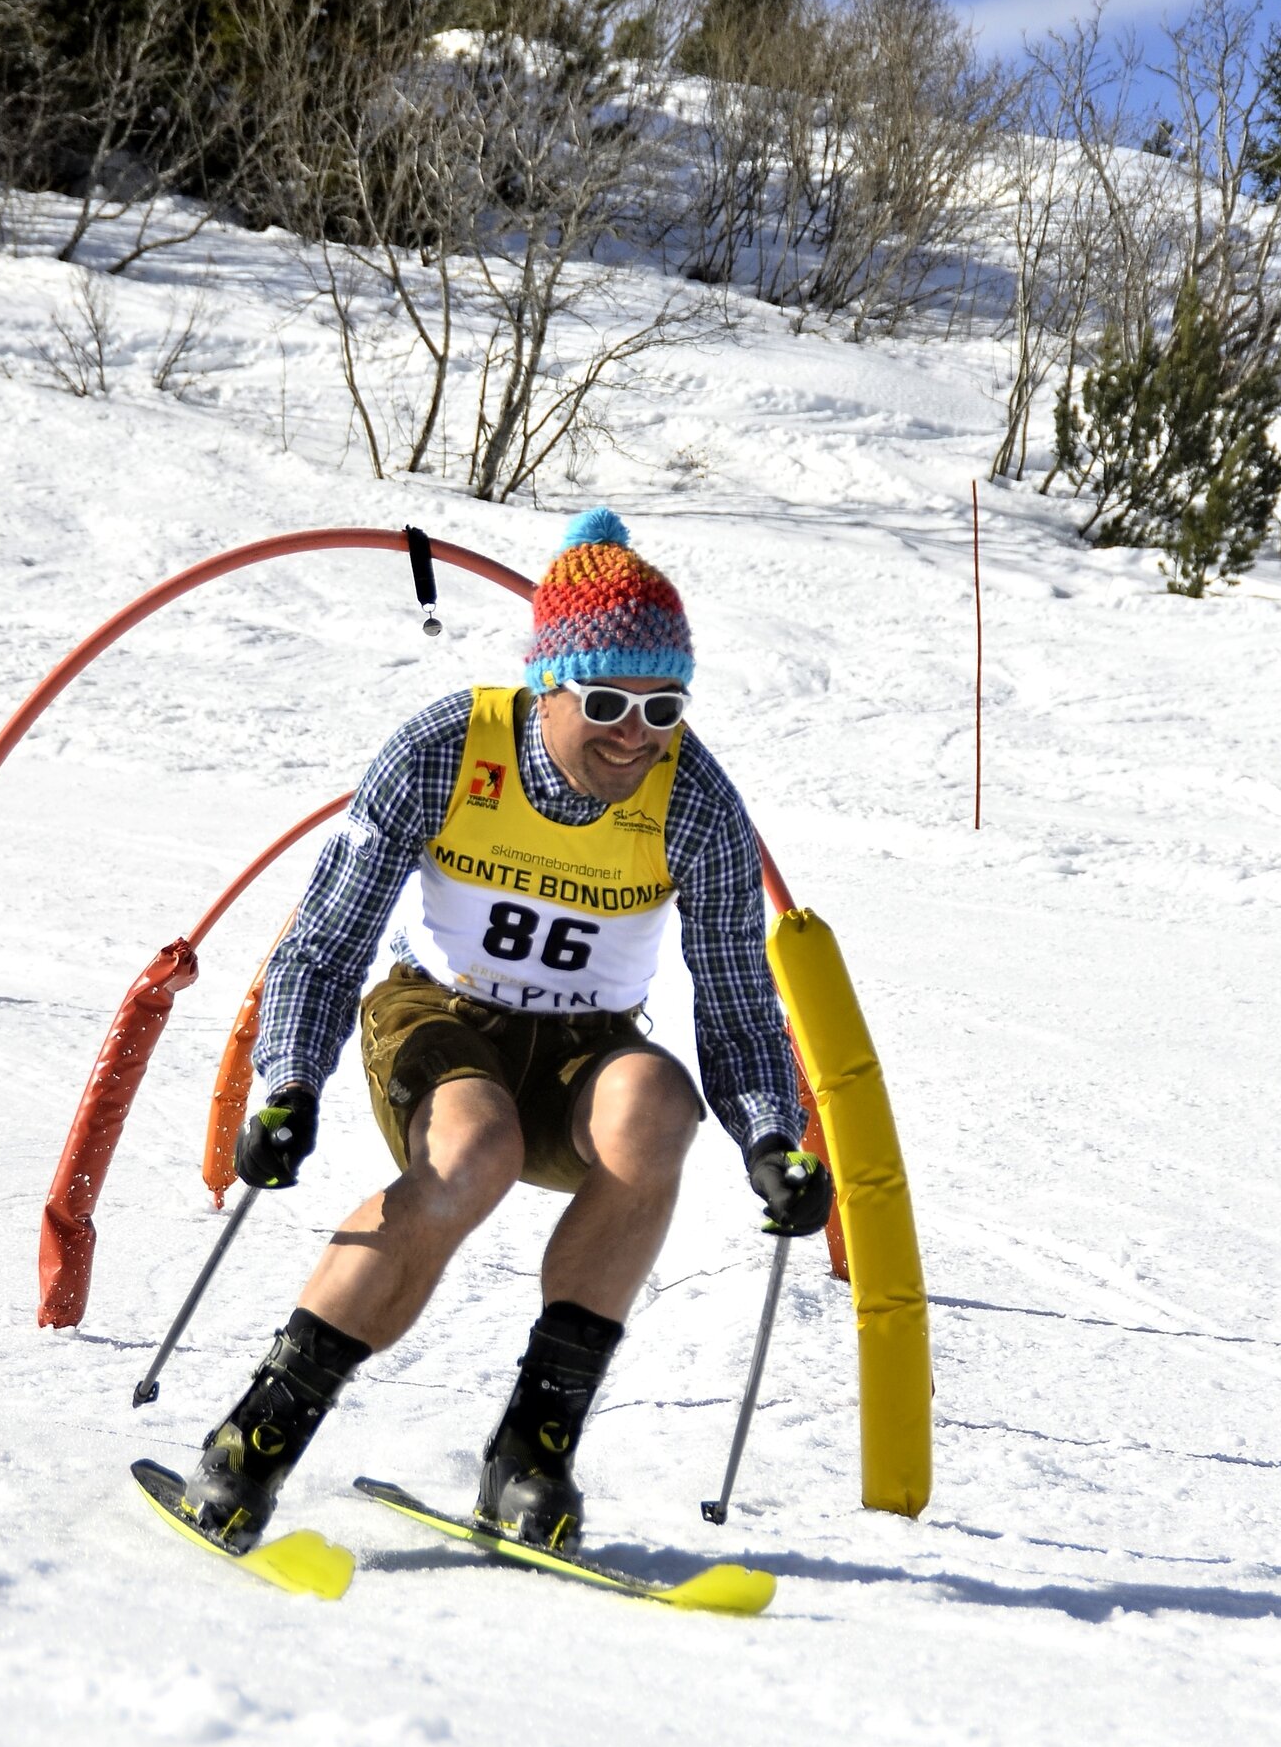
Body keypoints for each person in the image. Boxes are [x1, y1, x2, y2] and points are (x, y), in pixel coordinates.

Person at [181, 508, 834, 1553]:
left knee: (657, 1107)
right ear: (549, 685)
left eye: (664, 705)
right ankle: (254, 1438)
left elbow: (738, 1000)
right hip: (440, 1015)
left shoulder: (697, 802)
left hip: (584, 1043)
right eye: (609, 700)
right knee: (474, 1151)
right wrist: (289, 1083)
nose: (637, 731)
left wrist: (771, 1138)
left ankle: (530, 1452)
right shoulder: (446, 749)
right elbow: (324, 941)